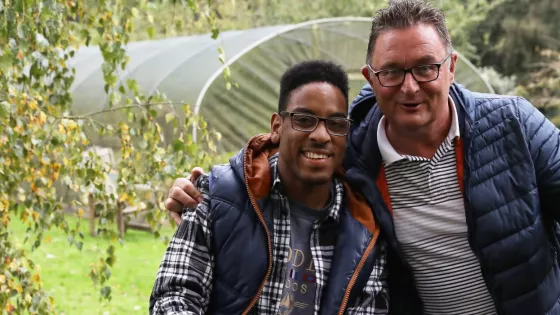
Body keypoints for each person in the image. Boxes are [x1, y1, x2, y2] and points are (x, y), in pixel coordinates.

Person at [163, 1, 560, 314]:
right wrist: (206, 187)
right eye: (392, 72)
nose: (410, 87)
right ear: (371, 78)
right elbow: (291, 146)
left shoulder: (513, 124)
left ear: (451, 68)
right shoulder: (355, 155)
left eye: (426, 68)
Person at [150, 60, 392, 314]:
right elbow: (174, 296)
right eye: (304, 119)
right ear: (277, 127)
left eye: (335, 124)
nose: (321, 136)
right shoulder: (216, 196)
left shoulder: (364, 230)